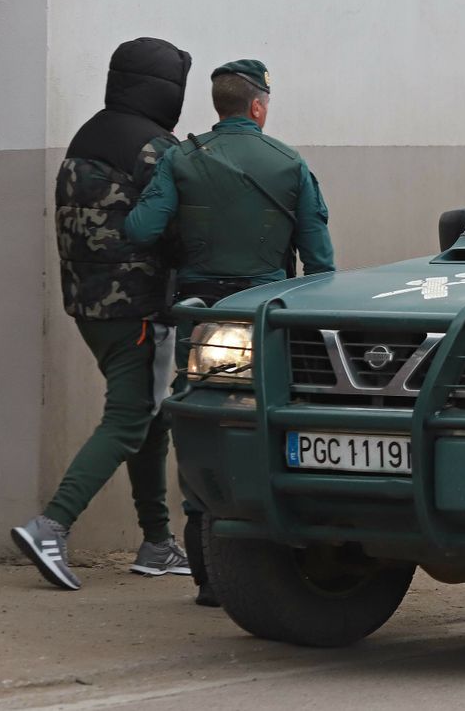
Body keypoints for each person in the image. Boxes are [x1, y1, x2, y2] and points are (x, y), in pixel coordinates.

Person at [126, 59, 334, 606]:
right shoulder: (290, 164)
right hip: (267, 317)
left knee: (200, 424)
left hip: (202, 318)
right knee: (266, 425)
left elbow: (141, 228)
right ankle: (268, 559)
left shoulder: (182, 159)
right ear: (258, 106)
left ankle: (206, 575)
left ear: (219, 106)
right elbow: (321, 265)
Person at [11, 37, 194, 591]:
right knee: (130, 417)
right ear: (168, 90)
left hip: (90, 307)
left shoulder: (86, 134)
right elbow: (177, 225)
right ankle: (52, 524)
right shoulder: (154, 148)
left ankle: (157, 541)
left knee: (149, 415)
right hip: (136, 307)